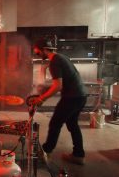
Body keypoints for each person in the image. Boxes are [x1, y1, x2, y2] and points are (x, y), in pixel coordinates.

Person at [31, 37, 87, 165]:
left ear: (45, 50)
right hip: (81, 96)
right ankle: (78, 155)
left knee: (55, 123)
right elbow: (60, 81)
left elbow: (58, 86)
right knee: (72, 124)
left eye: (38, 52)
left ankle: (46, 151)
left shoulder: (55, 61)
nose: (38, 55)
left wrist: (41, 98)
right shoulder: (62, 57)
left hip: (72, 98)